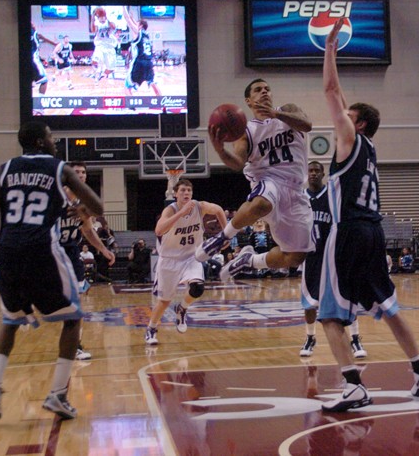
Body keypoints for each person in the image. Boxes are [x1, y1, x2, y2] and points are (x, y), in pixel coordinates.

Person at [316, 18, 419, 413]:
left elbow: (331, 89)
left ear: (359, 122)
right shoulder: (369, 150)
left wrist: (331, 48)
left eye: (347, 114)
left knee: (330, 315)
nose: (339, 117)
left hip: (348, 231)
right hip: (374, 231)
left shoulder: (350, 139)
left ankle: (352, 385)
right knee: (388, 306)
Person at [0, 121, 104, 421]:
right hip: (42, 250)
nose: (54, 140)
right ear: (39, 141)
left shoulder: (2, 170)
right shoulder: (60, 169)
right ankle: (58, 394)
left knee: (9, 321)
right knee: (72, 319)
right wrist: (82, 210)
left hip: (8, 252)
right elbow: (97, 206)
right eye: (50, 136)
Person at [196, 78, 314, 281]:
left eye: (268, 89)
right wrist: (220, 151)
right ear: (248, 101)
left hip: (295, 190)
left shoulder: (287, 111)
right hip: (267, 179)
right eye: (258, 90)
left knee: (295, 256)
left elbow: (307, 125)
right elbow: (238, 163)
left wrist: (276, 114)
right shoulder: (246, 130)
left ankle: (248, 261)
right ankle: (222, 237)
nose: (265, 92)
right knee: (262, 204)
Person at [144, 179, 227, 345]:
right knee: (164, 300)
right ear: (175, 194)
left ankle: (182, 308)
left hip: (191, 256)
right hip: (169, 259)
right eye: (182, 190)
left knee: (197, 287)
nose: (186, 193)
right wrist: (181, 214)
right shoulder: (169, 210)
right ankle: (151, 328)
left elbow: (218, 209)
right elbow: (159, 230)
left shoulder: (199, 206)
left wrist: (226, 234)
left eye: (189, 190)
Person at [299, 160, 366, 359]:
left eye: (316, 171)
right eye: (310, 171)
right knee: (309, 303)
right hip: (310, 256)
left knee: (346, 296)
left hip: (333, 255)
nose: (312, 174)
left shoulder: (331, 195)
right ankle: (310, 337)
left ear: (323, 174)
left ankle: (355, 338)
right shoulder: (300, 198)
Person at [59, 161, 116, 360]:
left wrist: (103, 249)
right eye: (76, 172)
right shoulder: (55, 197)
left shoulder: (84, 202)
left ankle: (75, 345)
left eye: (83, 172)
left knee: (76, 300)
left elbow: (88, 230)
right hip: (50, 251)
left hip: (71, 251)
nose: (81, 175)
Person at [121, 7, 161, 96]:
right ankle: (163, 104)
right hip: (149, 63)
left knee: (127, 87)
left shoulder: (137, 33)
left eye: (137, 24)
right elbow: (136, 23)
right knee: (153, 83)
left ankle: (132, 106)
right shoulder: (146, 36)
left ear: (140, 26)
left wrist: (123, 7)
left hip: (139, 63)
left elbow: (127, 19)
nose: (135, 24)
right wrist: (132, 18)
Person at [90, 7, 118, 85]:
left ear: (105, 17)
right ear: (98, 18)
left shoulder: (109, 22)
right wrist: (92, 17)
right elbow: (92, 30)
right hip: (100, 46)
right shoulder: (96, 24)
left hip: (110, 47)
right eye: (100, 17)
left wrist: (106, 17)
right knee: (95, 61)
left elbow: (114, 27)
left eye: (103, 17)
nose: (102, 19)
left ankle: (102, 75)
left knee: (111, 69)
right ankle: (97, 72)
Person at [31, 22, 56, 95]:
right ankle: (40, 103)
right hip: (33, 60)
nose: (33, 24)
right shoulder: (34, 33)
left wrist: (41, 59)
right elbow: (41, 37)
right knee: (44, 81)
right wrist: (54, 43)